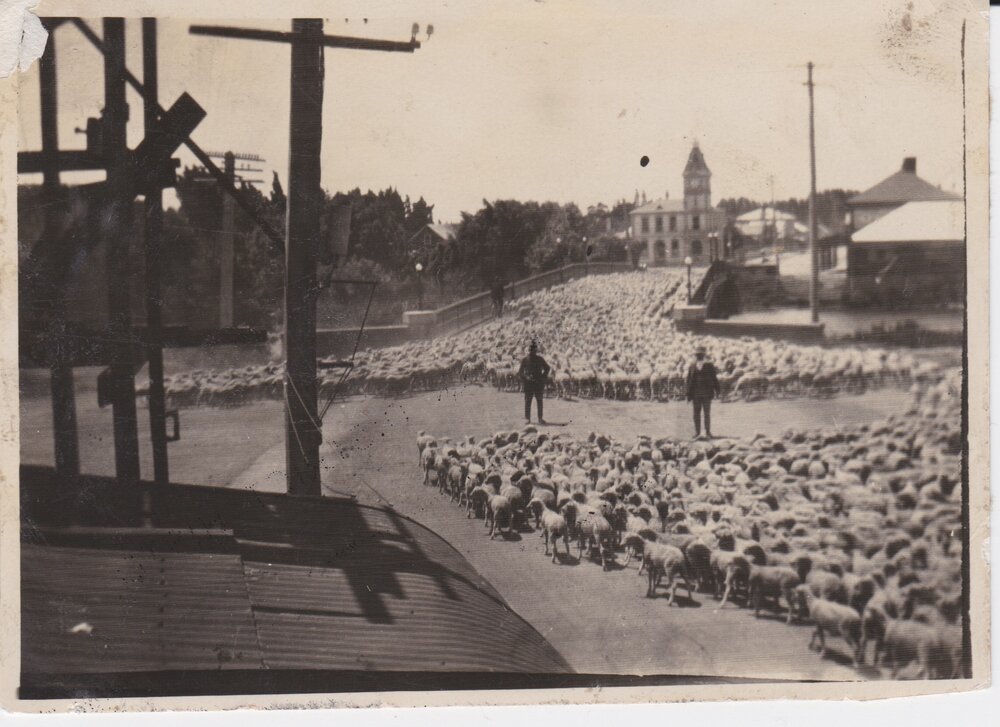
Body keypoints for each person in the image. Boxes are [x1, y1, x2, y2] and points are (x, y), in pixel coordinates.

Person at [686, 344, 720, 439]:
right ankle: (697, 432)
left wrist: (717, 390)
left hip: (706, 393)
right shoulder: (692, 366)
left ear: (704, 355)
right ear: (695, 355)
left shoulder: (709, 365)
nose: (698, 356)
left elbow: (714, 378)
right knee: (696, 414)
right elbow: (689, 380)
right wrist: (688, 394)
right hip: (696, 394)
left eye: (700, 354)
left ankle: (708, 431)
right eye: (697, 354)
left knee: (706, 413)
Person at [519, 340, 550, 424]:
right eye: (530, 350)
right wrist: (525, 377)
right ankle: (527, 418)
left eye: (533, 350)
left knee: (539, 401)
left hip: (538, 383)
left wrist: (543, 377)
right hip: (529, 383)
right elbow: (520, 372)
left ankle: (540, 418)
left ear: (535, 351)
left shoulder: (540, 359)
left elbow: (547, 368)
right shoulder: (525, 360)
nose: (532, 352)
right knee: (528, 401)